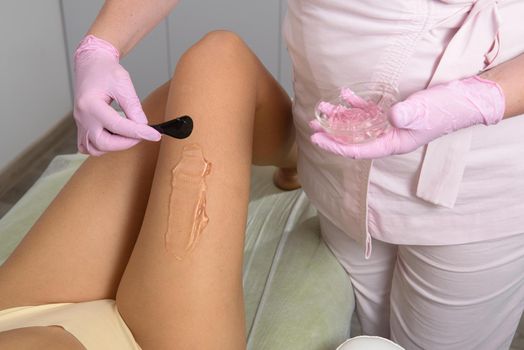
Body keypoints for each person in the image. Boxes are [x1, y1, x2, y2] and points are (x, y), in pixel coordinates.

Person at [2, 0, 524, 349]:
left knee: (216, 59)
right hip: (337, 162)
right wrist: (101, 45)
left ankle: (292, 156)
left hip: (481, 183)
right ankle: (296, 157)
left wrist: (485, 97)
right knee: (367, 322)